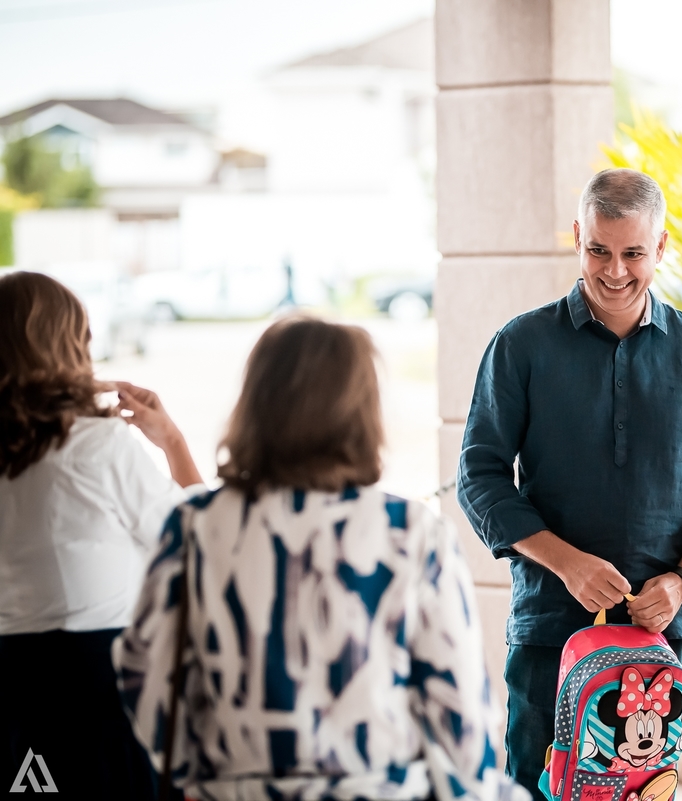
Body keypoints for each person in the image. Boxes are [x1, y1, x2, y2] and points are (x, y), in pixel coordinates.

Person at [114, 317, 523, 801]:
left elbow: (146, 678)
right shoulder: (410, 533)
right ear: (363, 412)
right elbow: (460, 717)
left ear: (255, 404)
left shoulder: (193, 528)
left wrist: (207, 770)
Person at [457, 168, 682, 794]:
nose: (615, 271)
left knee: (642, 792)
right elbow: (479, 476)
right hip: (549, 627)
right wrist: (567, 565)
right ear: (577, 238)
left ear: (661, 247)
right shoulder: (521, 345)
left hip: (661, 635)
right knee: (537, 786)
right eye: (598, 250)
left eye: (633, 254)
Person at [0, 271, 203, 800]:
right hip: (100, 685)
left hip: (14, 685)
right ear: (66, 346)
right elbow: (199, 541)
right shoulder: (97, 445)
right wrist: (173, 441)